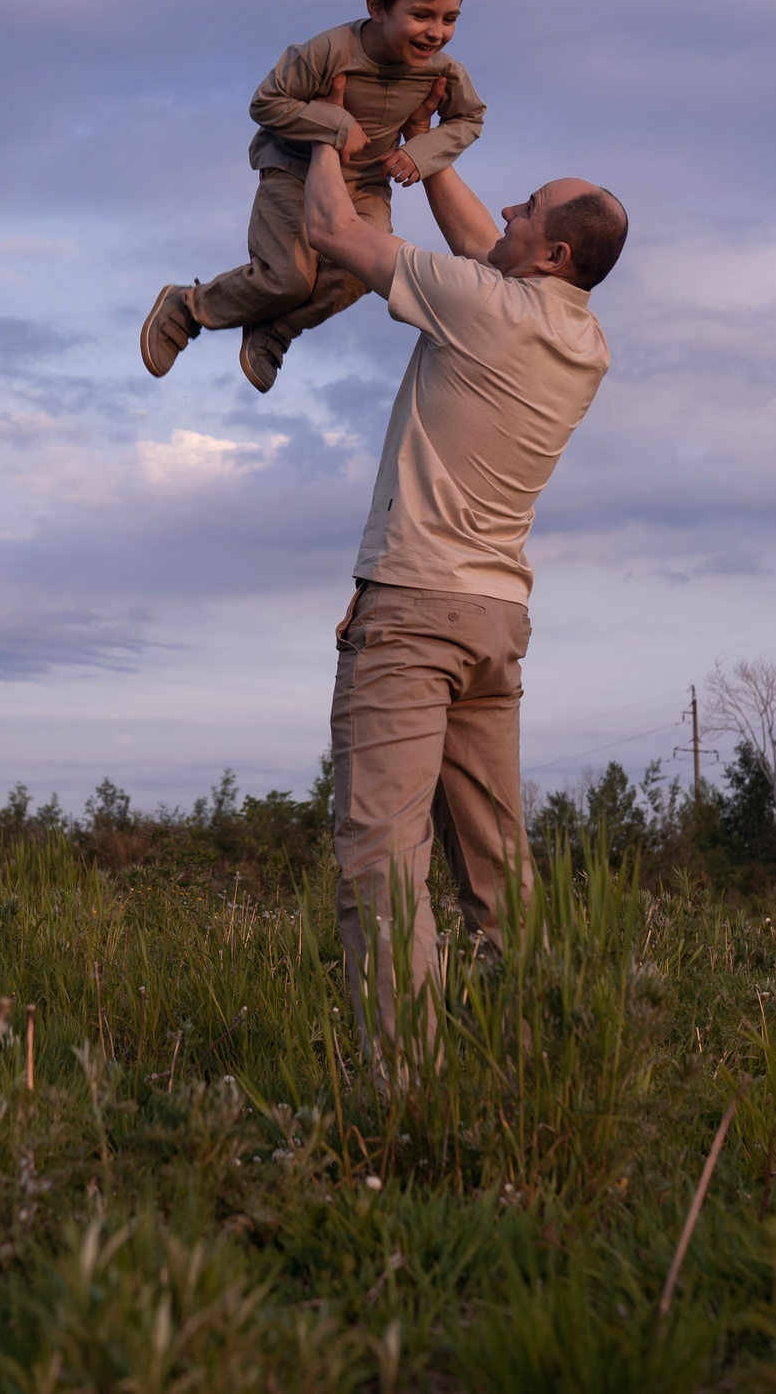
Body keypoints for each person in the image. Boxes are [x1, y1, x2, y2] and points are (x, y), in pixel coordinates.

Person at [298, 74, 626, 1060]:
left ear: (553, 252)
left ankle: (409, 1090)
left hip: (412, 614)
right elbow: (487, 252)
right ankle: (525, 1065)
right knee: (496, 868)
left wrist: (324, 125)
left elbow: (328, 231)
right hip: (493, 626)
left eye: (526, 208)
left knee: (383, 861)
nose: (508, 213)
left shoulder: (482, 307)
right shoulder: (581, 340)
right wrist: (437, 150)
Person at [139, 0, 486, 393]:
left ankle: (274, 330)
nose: (436, 32)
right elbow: (266, 102)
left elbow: (469, 119)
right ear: (377, 7)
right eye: (421, 15)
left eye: (449, 18)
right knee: (288, 279)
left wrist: (419, 153)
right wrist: (335, 125)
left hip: (365, 182)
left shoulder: (444, 70)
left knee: (366, 269)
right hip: (294, 170)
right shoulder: (330, 51)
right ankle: (189, 305)